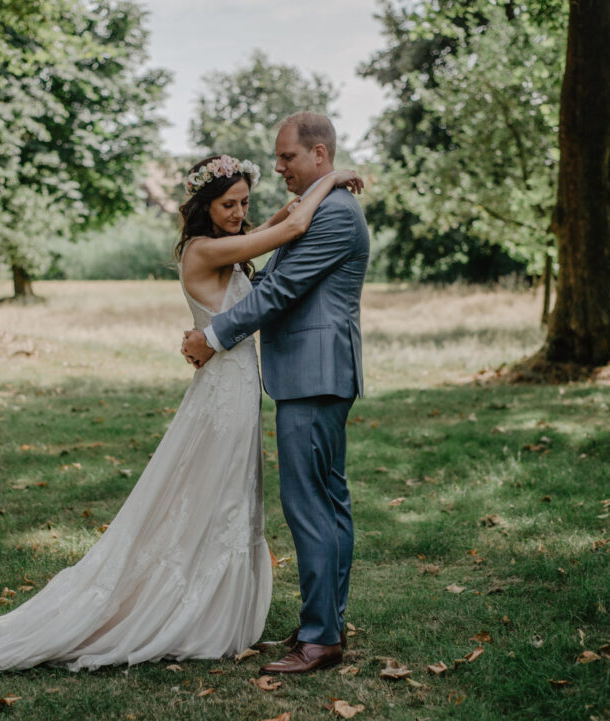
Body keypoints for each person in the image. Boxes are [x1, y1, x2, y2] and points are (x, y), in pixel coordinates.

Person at [0, 153, 362, 681]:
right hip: (223, 394)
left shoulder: (226, 242)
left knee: (231, 494)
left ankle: (227, 607)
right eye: (227, 204)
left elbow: (276, 221)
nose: (239, 212)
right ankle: (185, 606)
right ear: (203, 206)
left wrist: (288, 203)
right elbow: (294, 224)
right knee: (209, 493)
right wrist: (331, 177)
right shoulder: (206, 250)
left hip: (238, 388)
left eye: (243, 202)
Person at [182, 112, 370, 675]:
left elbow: (282, 290)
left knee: (311, 506)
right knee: (327, 503)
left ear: (319, 154)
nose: (278, 166)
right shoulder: (321, 206)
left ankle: (320, 639)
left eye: (287, 157)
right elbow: (265, 279)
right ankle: (324, 625)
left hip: (316, 376)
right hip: (311, 375)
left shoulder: (334, 214)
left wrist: (213, 336)